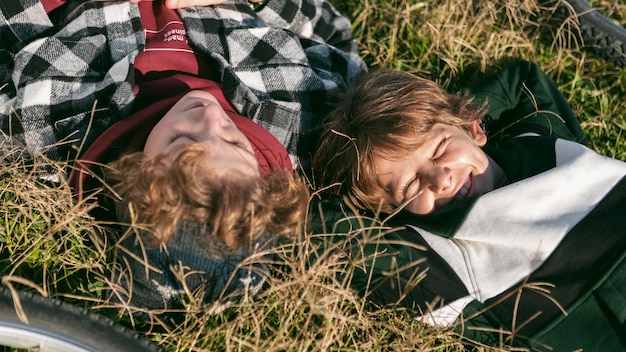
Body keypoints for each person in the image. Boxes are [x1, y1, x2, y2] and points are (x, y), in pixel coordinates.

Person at [0, 0, 366, 313]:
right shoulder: (307, 114)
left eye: (182, 139)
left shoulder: (48, 130)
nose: (209, 116)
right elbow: (333, 35)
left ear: (135, 172)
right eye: (236, 144)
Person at [309, 60, 626, 350]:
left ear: (474, 127)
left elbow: (522, 81)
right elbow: (323, 229)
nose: (440, 179)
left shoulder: (538, 145)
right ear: (390, 211)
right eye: (409, 185)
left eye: (440, 149)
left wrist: (459, 115)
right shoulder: (438, 259)